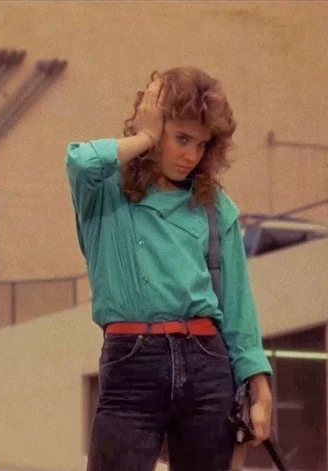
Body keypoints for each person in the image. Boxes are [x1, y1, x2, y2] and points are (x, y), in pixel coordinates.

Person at [65, 67, 274, 471]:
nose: (191, 155)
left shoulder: (215, 207)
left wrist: (258, 383)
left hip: (206, 361)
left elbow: (237, 305)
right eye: (181, 138)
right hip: (131, 364)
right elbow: (79, 161)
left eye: (201, 144)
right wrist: (145, 137)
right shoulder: (104, 191)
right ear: (154, 124)